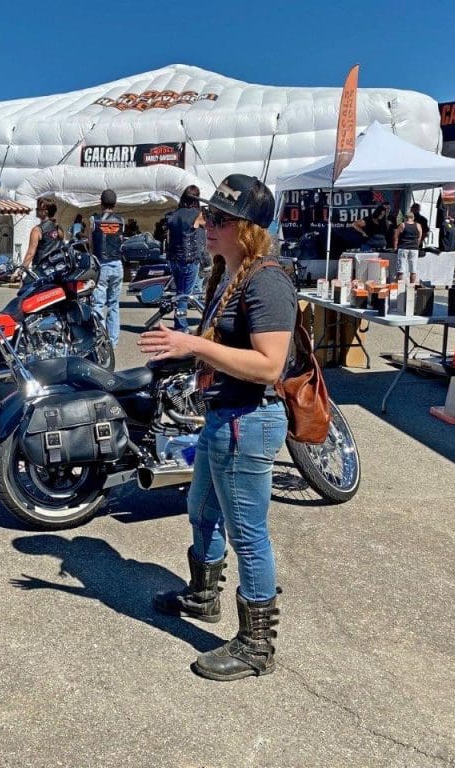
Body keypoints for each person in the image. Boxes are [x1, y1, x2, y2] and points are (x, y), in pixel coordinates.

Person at [139, 174, 296, 682]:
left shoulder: (266, 280)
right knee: (201, 509)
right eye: (210, 214)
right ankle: (203, 595)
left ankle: (256, 645)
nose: (206, 223)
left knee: (248, 535)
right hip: (222, 416)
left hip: (248, 421)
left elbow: (270, 366)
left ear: (248, 229)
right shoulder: (228, 272)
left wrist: (194, 347)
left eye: (221, 219)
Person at [163, 184, 207, 331]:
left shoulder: (173, 214)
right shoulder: (197, 214)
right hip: (189, 258)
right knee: (184, 294)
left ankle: (179, 323)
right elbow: (207, 226)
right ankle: (181, 326)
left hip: (174, 258)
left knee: (180, 292)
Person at [90, 189, 125, 346]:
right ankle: (113, 340)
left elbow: (91, 244)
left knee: (97, 304)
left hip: (101, 264)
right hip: (117, 264)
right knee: (114, 304)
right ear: (115, 204)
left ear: (100, 202)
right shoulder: (121, 220)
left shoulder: (94, 220)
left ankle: (101, 338)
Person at [20, 198, 64, 273]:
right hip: (56, 267)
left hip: (41, 270)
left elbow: (30, 253)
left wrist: (20, 270)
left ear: (45, 212)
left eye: (38, 208)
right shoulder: (58, 228)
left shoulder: (37, 230)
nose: (36, 210)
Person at [392, 211, 422, 280]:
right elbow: (419, 238)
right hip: (414, 249)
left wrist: (395, 247)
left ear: (405, 218)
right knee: (413, 271)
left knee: (400, 270)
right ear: (413, 218)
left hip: (403, 248)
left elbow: (396, 236)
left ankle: (400, 288)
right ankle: (412, 289)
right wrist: (416, 245)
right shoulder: (418, 225)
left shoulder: (402, 225)